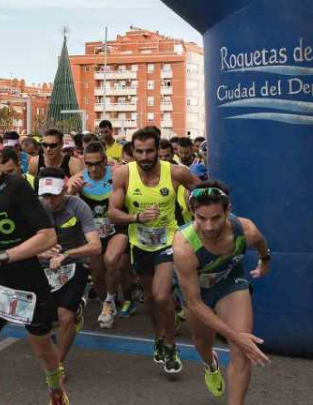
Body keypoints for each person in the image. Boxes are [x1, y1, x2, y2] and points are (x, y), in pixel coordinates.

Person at [0, 128, 68, 405]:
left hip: (28, 282)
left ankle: (55, 386)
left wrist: (1, 256)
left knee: (44, 351)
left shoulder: (17, 188)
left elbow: (48, 236)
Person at [108, 126, 198, 374]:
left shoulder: (176, 172)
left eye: (149, 151)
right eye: (139, 152)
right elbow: (113, 213)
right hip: (140, 244)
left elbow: (201, 191)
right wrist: (137, 217)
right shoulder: (123, 175)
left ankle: (171, 344)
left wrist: (200, 215)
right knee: (150, 299)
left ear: (159, 150)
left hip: (169, 240)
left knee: (161, 295)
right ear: (133, 152)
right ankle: (159, 336)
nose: (145, 157)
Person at [172, 180, 272, 404]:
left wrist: (265, 259)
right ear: (192, 213)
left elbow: (261, 242)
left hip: (229, 282)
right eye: (201, 218)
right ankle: (210, 364)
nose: (209, 226)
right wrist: (234, 336)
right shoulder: (183, 246)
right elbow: (195, 303)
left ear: (228, 210)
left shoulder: (245, 230)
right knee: (202, 342)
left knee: (242, 350)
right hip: (198, 295)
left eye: (216, 218)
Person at [35, 168, 101, 377]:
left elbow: (95, 246)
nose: (50, 201)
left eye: (54, 195)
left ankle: (58, 364)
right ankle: (76, 309)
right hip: (43, 267)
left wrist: (67, 253)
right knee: (45, 319)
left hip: (74, 264)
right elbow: (21, 244)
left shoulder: (78, 206)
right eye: (45, 195)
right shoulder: (35, 208)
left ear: (64, 189)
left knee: (65, 317)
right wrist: (41, 251)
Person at [73, 141, 130, 328]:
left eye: (98, 163)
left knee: (111, 260)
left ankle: (109, 301)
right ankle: (108, 299)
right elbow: (65, 204)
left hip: (116, 229)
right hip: (93, 233)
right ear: (84, 162)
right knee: (97, 273)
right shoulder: (78, 180)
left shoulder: (117, 175)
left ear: (105, 160)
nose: (94, 168)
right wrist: (71, 190)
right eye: (89, 164)